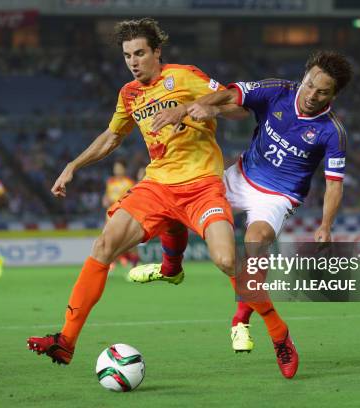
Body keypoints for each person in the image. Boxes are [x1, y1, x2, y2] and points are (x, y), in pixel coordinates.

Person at [27, 18, 272, 372]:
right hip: (157, 185)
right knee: (103, 246)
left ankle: (273, 331)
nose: (133, 61)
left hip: (201, 183)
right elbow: (112, 137)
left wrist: (195, 108)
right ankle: (65, 341)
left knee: (226, 261)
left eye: (140, 53)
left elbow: (239, 106)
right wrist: (73, 165)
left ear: (156, 52)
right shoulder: (129, 94)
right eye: (127, 55)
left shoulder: (185, 76)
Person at [132, 50, 353, 378]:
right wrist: (206, 105)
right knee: (174, 202)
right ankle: (170, 268)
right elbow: (234, 91)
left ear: (334, 95)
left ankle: (243, 320)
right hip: (240, 175)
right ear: (303, 78)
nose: (311, 95)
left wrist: (325, 226)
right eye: (309, 85)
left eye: (322, 92)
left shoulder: (332, 132)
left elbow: (334, 184)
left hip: (278, 196)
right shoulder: (279, 90)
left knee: (255, 241)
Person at [101, 159, 139, 269]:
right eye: (115, 168)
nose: (117, 170)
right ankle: (110, 264)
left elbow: (132, 198)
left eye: (119, 168)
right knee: (110, 240)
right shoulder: (110, 182)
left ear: (124, 169)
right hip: (110, 214)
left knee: (129, 241)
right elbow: (107, 196)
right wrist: (105, 200)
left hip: (124, 214)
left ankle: (134, 264)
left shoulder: (129, 182)